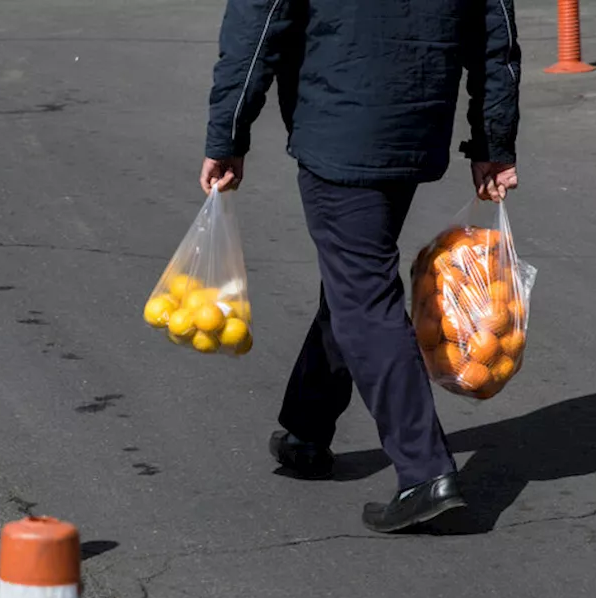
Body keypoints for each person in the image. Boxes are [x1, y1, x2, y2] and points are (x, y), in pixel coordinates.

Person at [201, 0, 522, 533]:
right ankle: (307, 427)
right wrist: (494, 140)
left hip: (342, 121)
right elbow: (496, 33)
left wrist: (227, 136)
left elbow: (257, 25)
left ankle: (425, 474)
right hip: (416, 121)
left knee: (364, 295)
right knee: (356, 277)